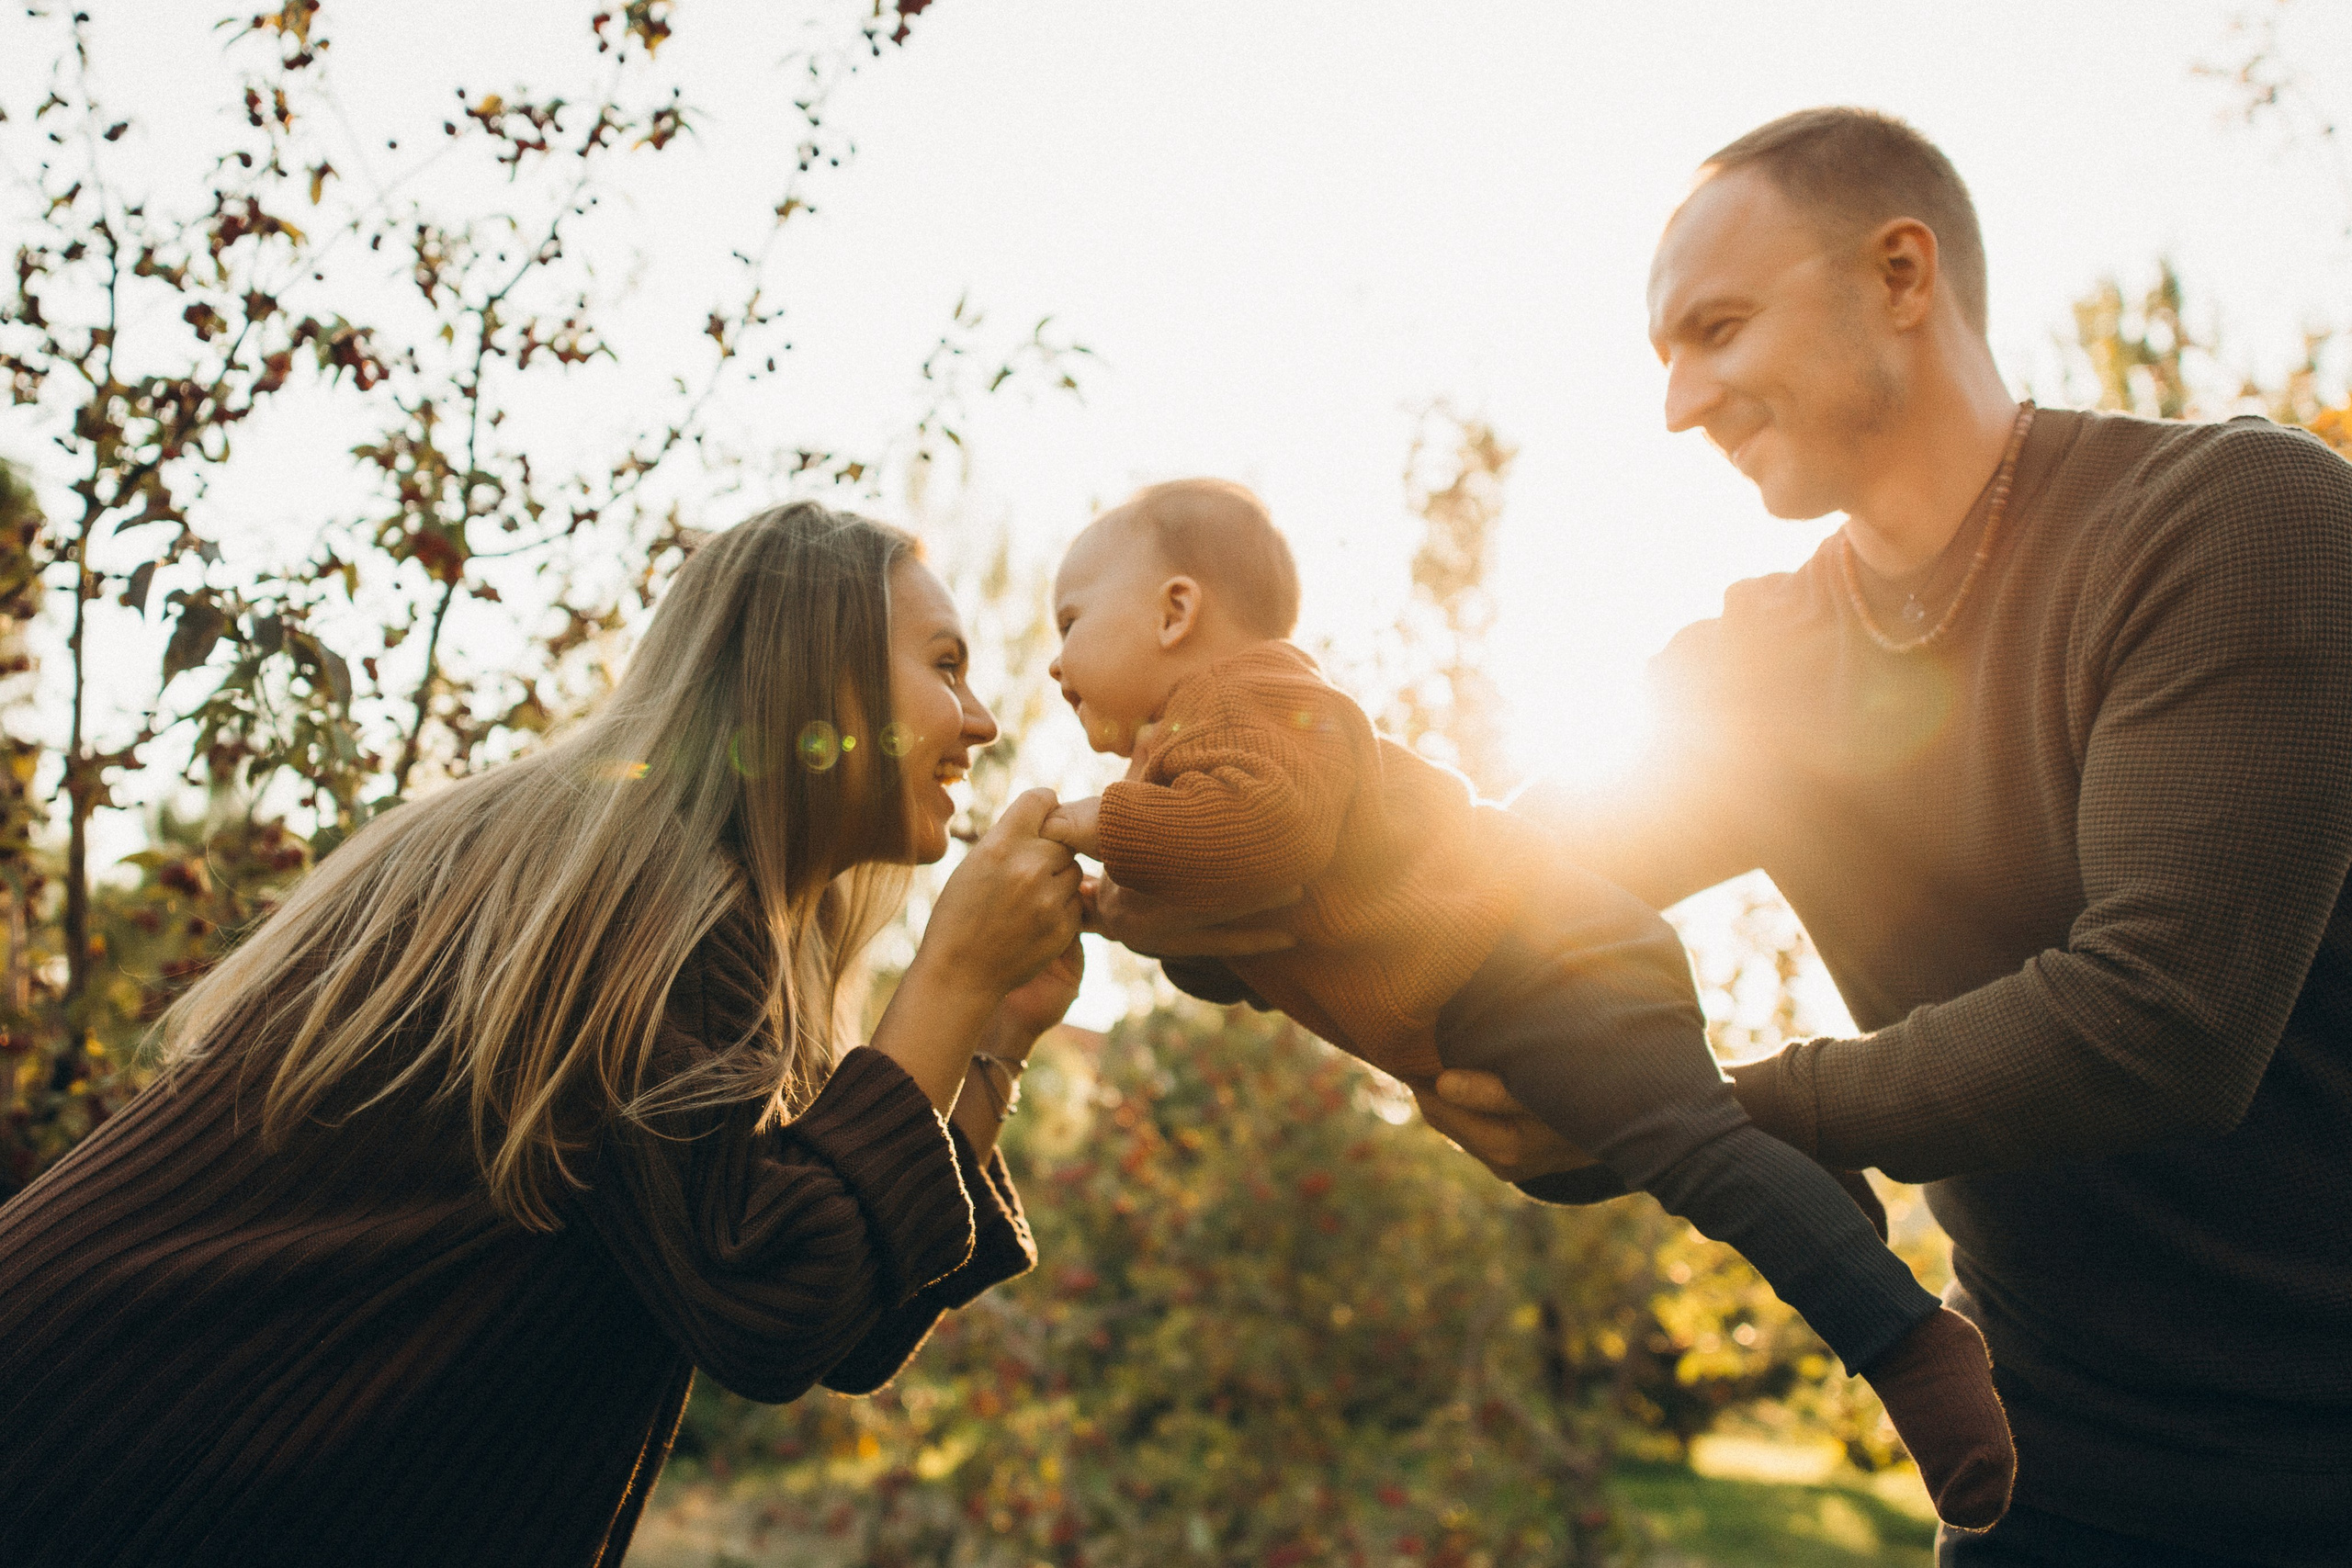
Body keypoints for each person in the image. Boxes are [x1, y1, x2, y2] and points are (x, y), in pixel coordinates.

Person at [1415, 108, 2352, 1566]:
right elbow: (1472, 903)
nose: (1679, 402)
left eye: (1716, 329)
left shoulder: (2235, 521)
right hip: (2050, 1480)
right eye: (1664, 354)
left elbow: (2162, 1019)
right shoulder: (1755, 672)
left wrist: (1715, 1124)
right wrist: (1232, 828)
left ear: (1902, 276)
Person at [0, 502, 1129, 1567]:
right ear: (815, 675)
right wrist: (951, 971)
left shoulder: (658, 880)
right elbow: (773, 1299)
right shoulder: (651, 890)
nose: (980, 719)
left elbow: (841, 1312)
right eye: (943, 665)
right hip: (119, 1454)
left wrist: (994, 1027)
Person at [1038, 477, 2015, 1530]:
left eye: (1069, 622)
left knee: (1680, 1152)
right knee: (1603, 1160)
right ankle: (1773, 1149)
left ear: (1176, 612)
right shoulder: (1190, 758)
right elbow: (1246, 947)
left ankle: (1907, 1342)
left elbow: (1266, 831)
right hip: (1497, 992)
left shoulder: (1257, 699)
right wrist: (1119, 913)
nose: (1052, 659)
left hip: (1540, 952)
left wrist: (1083, 825)